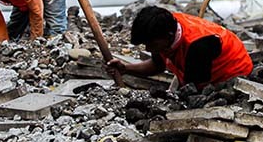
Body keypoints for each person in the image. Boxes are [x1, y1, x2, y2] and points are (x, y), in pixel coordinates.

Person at [107, 6, 253, 89]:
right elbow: (157, 66)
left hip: (234, 75)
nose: (149, 48)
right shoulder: (164, 27)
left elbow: (194, 90)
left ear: (169, 36)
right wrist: (125, 69)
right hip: (197, 71)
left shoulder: (198, 46)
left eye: (151, 44)